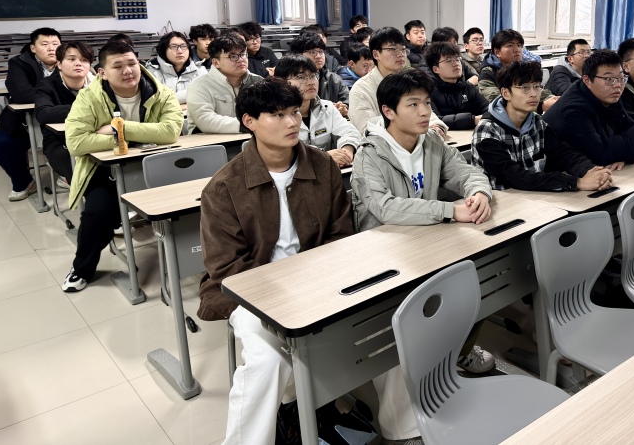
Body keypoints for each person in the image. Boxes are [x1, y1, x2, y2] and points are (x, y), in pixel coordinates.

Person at [197, 79, 352, 445]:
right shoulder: (223, 187)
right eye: (278, 115)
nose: (292, 122)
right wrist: (286, 293)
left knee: (383, 325)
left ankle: (400, 427)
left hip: (320, 281)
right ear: (249, 121)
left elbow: (342, 235)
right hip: (252, 293)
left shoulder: (323, 166)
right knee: (269, 362)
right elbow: (226, 268)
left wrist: (317, 282)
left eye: (295, 112)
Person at [351, 69, 495, 441]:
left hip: (427, 244)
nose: (424, 112)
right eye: (412, 104)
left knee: (479, 284)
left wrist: (479, 194)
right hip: (382, 255)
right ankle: (399, 427)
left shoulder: (431, 143)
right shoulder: (370, 154)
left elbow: (466, 172)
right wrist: (449, 211)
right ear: (388, 111)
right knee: (400, 328)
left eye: (427, 103)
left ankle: (448, 363)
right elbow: (385, 208)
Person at [62, 40, 183, 292]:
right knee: (97, 214)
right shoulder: (89, 97)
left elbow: (171, 132)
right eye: (118, 66)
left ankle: (189, 256)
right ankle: (82, 268)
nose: (128, 71)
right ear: (102, 73)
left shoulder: (160, 92)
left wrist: (120, 129)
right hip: (105, 170)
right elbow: (76, 142)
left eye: (132, 63)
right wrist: (141, 136)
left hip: (155, 165)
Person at [473, 61, 614, 192]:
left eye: (537, 86)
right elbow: (514, 176)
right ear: (506, 93)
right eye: (525, 88)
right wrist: (576, 182)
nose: (534, 94)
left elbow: (564, 154)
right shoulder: (487, 130)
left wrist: (591, 171)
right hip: (503, 201)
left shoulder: (536, 122)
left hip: (535, 197)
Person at [543, 49, 634, 168]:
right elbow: (600, 155)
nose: (617, 85)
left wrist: (622, 155)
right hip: (563, 174)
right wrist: (623, 152)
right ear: (587, 80)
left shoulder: (610, 96)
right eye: (609, 79)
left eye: (621, 78)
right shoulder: (572, 109)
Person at [0, 27, 61, 201]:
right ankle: (24, 182)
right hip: (23, 121)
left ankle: (68, 176)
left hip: (57, 117)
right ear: (33, 48)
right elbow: (22, 93)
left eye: (55, 44)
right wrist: (53, 97)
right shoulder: (19, 63)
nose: (51, 48)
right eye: (44, 44)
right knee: (2, 142)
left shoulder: (68, 61)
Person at [349, 27, 447, 137]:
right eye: (393, 49)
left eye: (403, 49)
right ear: (376, 54)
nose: (400, 54)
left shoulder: (410, 80)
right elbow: (367, 129)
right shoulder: (361, 90)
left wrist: (436, 127)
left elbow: (426, 112)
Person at [275, 55, 361, 168]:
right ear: (282, 82)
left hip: (328, 171)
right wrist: (324, 157)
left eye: (312, 76)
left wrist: (346, 151)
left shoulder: (327, 107)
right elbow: (284, 152)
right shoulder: (274, 115)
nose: (310, 82)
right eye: (301, 77)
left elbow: (349, 132)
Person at [33, 41, 94, 185]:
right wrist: (85, 109)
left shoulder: (99, 84)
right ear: (59, 64)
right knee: (82, 174)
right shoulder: (46, 85)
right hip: (59, 141)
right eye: (71, 59)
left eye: (84, 60)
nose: (78, 64)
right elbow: (44, 113)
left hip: (94, 135)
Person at [186, 34, 263, 134]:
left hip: (251, 136)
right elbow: (205, 120)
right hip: (210, 141)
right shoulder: (199, 86)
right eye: (233, 56)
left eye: (243, 54)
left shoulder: (258, 82)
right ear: (216, 63)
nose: (241, 59)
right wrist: (249, 125)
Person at [478, 29, 558, 111]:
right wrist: (541, 107)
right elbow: (498, 102)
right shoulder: (488, 74)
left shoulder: (521, 68)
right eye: (510, 46)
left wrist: (552, 98)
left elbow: (536, 89)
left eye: (519, 45)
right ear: (497, 52)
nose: (517, 50)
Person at [425, 41, 488, 129]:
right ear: (436, 69)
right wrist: (472, 120)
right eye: (448, 61)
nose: (455, 64)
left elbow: (487, 109)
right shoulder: (427, 91)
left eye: (457, 59)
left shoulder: (468, 87)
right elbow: (436, 121)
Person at [288, 34, 349, 116]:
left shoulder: (334, 79)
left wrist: (343, 108)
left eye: (321, 51)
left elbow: (347, 102)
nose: (318, 56)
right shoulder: (289, 79)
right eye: (312, 52)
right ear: (298, 55)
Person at [145, 31, 207, 103]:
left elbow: (208, 96)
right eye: (174, 47)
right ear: (163, 50)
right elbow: (155, 101)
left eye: (184, 46)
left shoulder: (200, 71)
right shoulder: (151, 73)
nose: (180, 51)